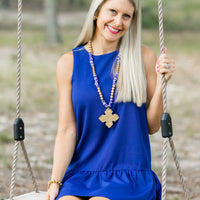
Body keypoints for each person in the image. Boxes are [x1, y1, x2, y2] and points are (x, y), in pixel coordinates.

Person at [44, 0, 175, 199]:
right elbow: (67, 130)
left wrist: (161, 84)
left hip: (129, 174)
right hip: (82, 172)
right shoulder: (68, 63)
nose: (118, 21)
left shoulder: (143, 57)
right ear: (97, 13)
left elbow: (152, 126)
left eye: (126, 16)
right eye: (112, 11)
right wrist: (55, 182)